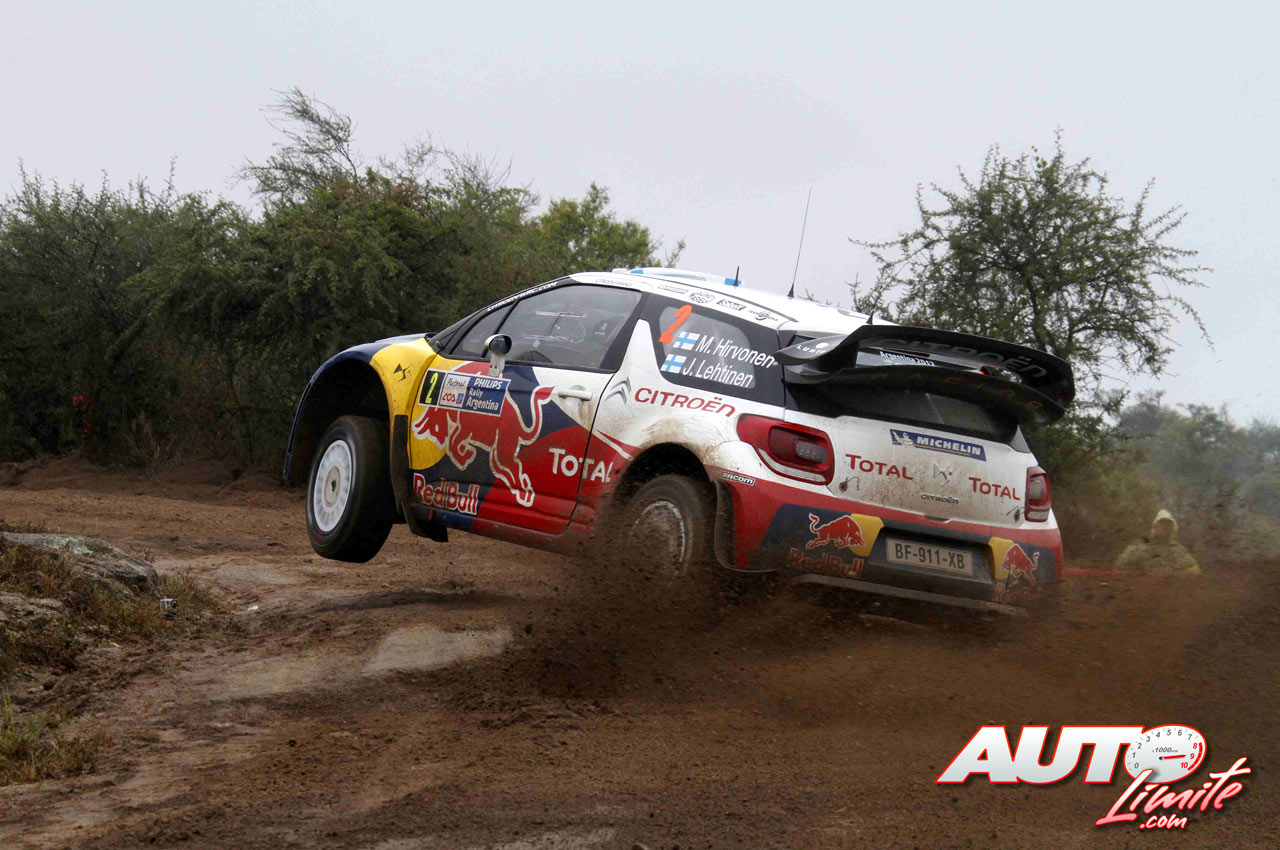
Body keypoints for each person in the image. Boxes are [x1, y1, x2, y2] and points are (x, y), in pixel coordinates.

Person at [1115, 509, 1201, 574]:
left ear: (1172, 528)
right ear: (1155, 526)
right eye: (1162, 523)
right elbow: (1120, 569)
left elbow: (1194, 572)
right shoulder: (1138, 548)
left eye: (1168, 524)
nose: (1165, 527)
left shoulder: (1180, 552)